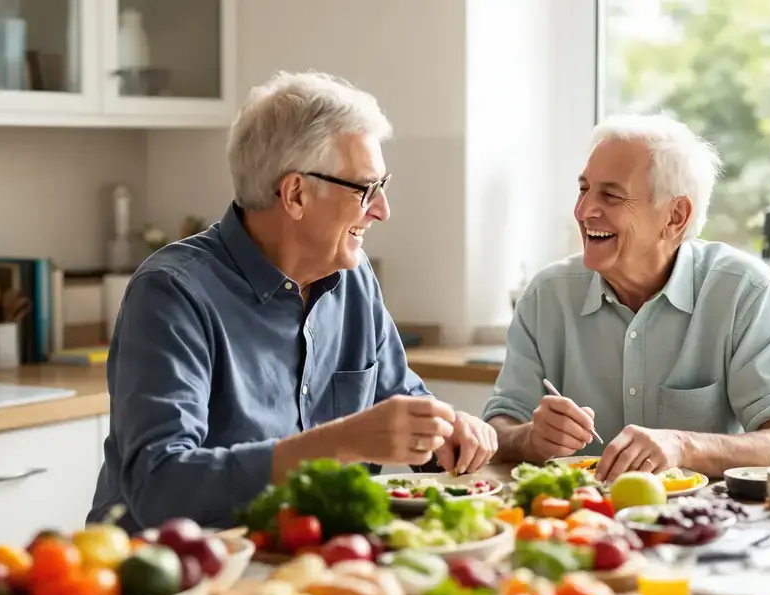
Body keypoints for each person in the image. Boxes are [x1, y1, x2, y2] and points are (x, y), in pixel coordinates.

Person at [88, 71, 496, 533]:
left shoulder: (353, 278)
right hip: (169, 580)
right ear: (296, 194)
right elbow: (159, 488)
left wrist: (446, 430)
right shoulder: (172, 293)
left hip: (300, 565)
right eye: (366, 190)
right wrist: (337, 444)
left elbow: (400, 401)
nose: (382, 209)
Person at [483, 114, 770, 483]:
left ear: (676, 217)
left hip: (702, 528)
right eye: (584, 190)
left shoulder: (743, 291)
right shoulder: (546, 296)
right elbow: (497, 432)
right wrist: (529, 439)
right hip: (576, 523)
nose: (584, 212)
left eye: (610, 195)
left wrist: (683, 445)